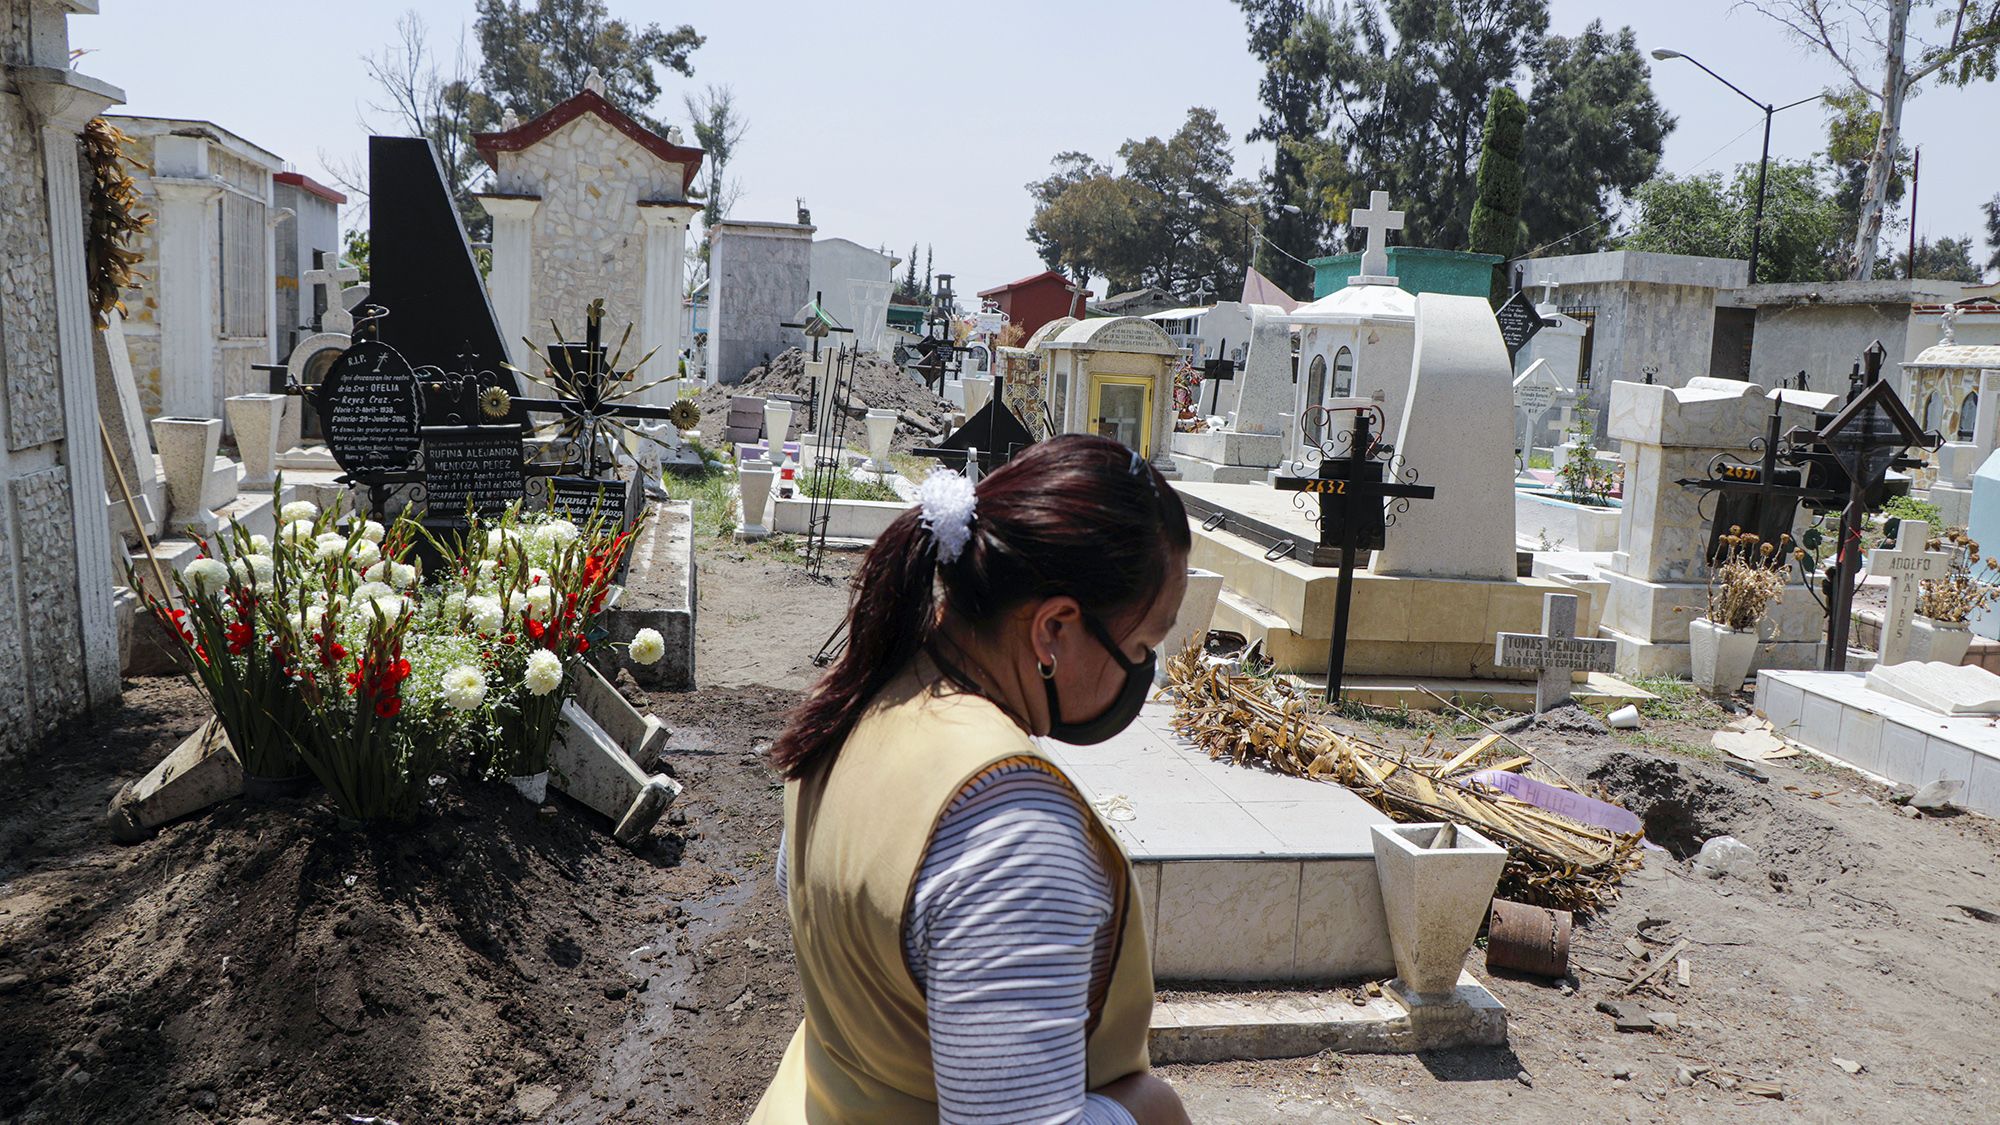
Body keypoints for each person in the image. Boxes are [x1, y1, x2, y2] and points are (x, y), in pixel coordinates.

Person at [750, 435, 1193, 1125]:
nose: (1141, 672)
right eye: (1140, 648)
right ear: (1054, 628)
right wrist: (1148, 1113)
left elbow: (802, 888)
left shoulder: (861, 693)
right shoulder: (1008, 824)